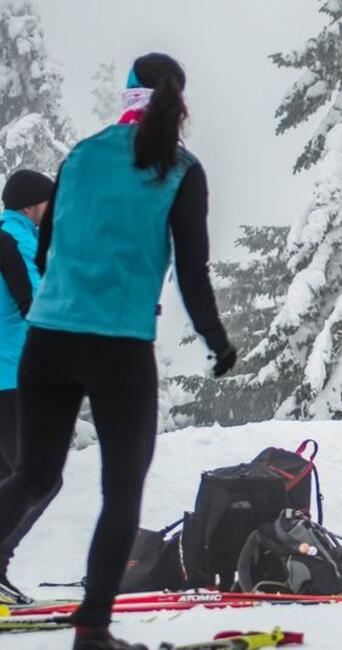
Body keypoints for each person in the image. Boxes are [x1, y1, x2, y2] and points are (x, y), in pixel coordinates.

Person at [0, 53, 236, 650]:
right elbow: (192, 270)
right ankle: (92, 631)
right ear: (178, 101)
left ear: (128, 95)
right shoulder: (182, 168)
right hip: (120, 347)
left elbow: (49, 251)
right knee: (122, 490)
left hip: (49, 341)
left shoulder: (79, 155)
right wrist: (215, 339)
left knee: (32, 474)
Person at [0, 169, 61, 605]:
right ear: (30, 205)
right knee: (42, 477)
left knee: (10, 478)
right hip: (12, 380)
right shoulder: (14, 240)